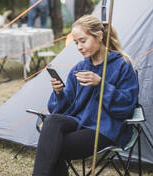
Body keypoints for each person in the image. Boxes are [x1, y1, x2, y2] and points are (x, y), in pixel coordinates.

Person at [32, 15, 139, 176]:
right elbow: (62, 109)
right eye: (76, 43)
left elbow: (126, 107)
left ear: (99, 36)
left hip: (105, 128)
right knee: (51, 121)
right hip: (79, 121)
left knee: (53, 147)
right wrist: (59, 92)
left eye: (83, 40)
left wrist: (101, 84)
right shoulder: (79, 67)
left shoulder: (122, 65)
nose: (79, 47)